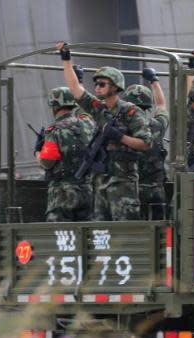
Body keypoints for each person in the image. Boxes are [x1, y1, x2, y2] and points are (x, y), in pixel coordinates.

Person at [57, 41, 152, 221]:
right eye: (96, 84)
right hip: (100, 181)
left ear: (115, 87)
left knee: (124, 235)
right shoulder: (98, 109)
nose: (97, 87)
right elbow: (75, 89)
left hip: (123, 183)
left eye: (102, 84)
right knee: (101, 232)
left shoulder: (131, 111)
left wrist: (120, 137)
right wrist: (66, 59)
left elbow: (145, 143)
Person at [36, 87, 94, 222]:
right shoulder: (88, 124)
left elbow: (46, 162)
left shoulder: (54, 130)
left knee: (60, 237)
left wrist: (38, 150)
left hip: (63, 195)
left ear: (55, 107)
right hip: (88, 191)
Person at [123, 67, 170, 220]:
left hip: (130, 190)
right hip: (156, 190)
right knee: (159, 234)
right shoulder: (157, 125)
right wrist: (154, 80)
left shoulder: (121, 127)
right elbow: (161, 105)